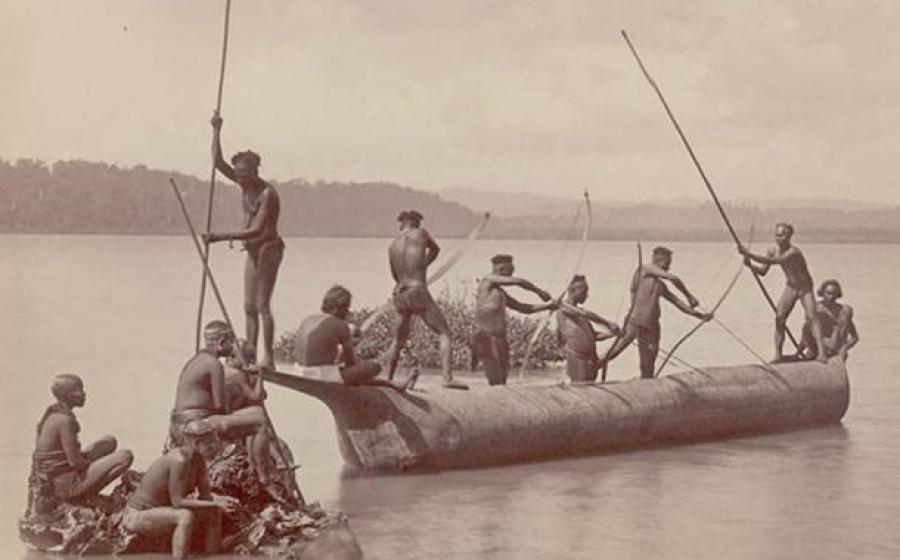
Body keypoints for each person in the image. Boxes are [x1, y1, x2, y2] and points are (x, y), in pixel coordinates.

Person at [203, 112, 284, 369]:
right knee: (248, 306)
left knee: (262, 305)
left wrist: (219, 237)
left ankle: (268, 358)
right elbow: (217, 162)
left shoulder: (267, 193)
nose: (239, 178)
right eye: (237, 174)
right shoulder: (243, 183)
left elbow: (257, 229)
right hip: (252, 251)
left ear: (255, 171)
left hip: (268, 249)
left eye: (244, 174)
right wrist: (217, 129)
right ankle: (249, 353)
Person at [169, 320, 274, 488]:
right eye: (230, 342)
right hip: (194, 424)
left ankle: (257, 468)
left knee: (255, 411)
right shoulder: (214, 364)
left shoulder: (197, 359)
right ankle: (264, 478)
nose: (232, 347)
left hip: (182, 422)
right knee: (260, 422)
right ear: (221, 342)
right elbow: (220, 407)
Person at [122, 420, 239, 559]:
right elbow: (178, 502)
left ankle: (213, 554)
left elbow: (205, 497)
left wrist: (219, 501)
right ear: (196, 443)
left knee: (214, 512)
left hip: (164, 512)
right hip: (138, 516)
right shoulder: (180, 460)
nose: (216, 447)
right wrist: (216, 503)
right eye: (210, 443)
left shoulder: (199, 460)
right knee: (185, 516)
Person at [598, 246, 712, 379]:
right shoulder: (645, 269)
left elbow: (676, 302)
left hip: (652, 326)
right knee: (616, 350)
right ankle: (593, 368)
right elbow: (673, 278)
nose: (669, 266)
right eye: (667, 262)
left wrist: (699, 315)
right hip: (635, 321)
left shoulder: (660, 285)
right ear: (659, 259)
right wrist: (689, 296)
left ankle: (646, 381)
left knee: (649, 361)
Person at [385, 210, 466, 389]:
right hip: (417, 290)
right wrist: (422, 266)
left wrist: (415, 269)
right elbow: (436, 249)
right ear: (415, 222)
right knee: (444, 332)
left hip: (399, 292)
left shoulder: (392, 245)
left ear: (402, 223)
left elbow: (395, 275)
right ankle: (447, 378)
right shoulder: (421, 233)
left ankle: (388, 378)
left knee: (397, 340)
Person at [28, 374, 133, 511]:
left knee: (109, 441)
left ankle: (87, 484)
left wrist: (93, 462)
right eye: (79, 390)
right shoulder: (64, 421)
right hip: (65, 485)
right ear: (68, 395)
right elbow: (76, 463)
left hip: (60, 474)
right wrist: (94, 466)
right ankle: (85, 495)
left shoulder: (53, 414)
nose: (84, 393)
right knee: (125, 456)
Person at [293, 285, 418, 391]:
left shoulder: (308, 319)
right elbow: (351, 363)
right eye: (346, 308)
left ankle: (391, 384)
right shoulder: (340, 324)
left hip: (298, 371)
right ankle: (391, 384)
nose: (347, 312)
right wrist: (354, 345)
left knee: (351, 370)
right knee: (374, 367)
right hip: (319, 376)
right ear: (337, 308)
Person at [740, 223, 828, 363]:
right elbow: (763, 271)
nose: (779, 238)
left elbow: (777, 261)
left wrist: (749, 254)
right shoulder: (772, 251)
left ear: (789, 236)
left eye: (782, 235)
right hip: (791, 287)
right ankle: (778, 355)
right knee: (779, 319)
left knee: (812, 317)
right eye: (777, 235)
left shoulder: (794, 252)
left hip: (805, 287)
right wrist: (750, 265)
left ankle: (821, 353)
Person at [472, 254, 557, 385]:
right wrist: (539, 291)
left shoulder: (500, 293)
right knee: (495, 381)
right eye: (510, 271)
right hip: (487, 339)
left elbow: (523, 308)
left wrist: (548, 306)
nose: (512, 274)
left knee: (502, 380)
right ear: (501, 269)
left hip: (500, 340)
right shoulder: (486, 281)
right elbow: (519, 281)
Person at [556, 275, 621, 383]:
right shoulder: (564, 308)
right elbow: (585, 314)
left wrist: (612, 334)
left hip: (590, 360)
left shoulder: (580, 314)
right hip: (577, 359)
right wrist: (607, 323)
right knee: (580, 390)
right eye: (584, 291)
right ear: (573, 290)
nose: (586, 295)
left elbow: (594, 336)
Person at [798, 279, 859, 361]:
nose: (831, 297)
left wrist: (844, 348)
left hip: (835, 349)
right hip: (819, 347)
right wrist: (798, 352)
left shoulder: (843, 311)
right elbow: (806, 332)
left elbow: (854, 337)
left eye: (834, 293)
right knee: (807, 327)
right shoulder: (816, 309)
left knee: (837, 330)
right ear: (822, 293)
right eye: (828, 293)